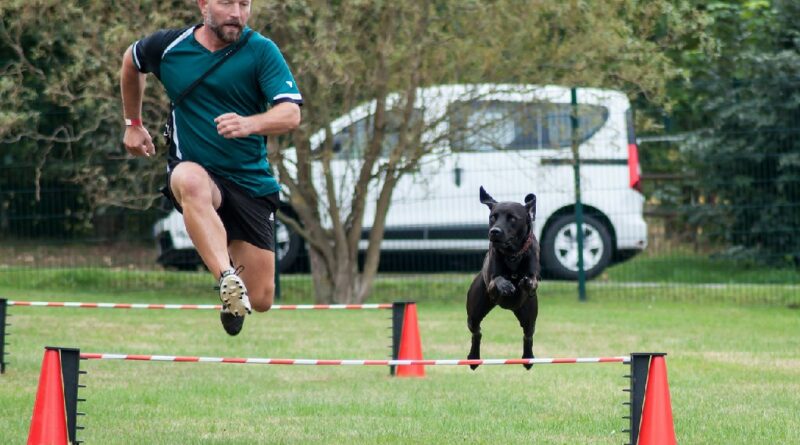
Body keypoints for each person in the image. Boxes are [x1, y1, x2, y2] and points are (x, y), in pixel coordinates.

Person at [119, 0, 302, 336]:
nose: (237, 13)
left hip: (250, 183)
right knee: (187, 178)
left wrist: (249, 124)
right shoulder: (169, 47)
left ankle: (237, 290)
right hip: (198, 173)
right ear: (203, 4)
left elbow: (291, 113)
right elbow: (132, 62)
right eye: (226, 3)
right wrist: (133, 122)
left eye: (244, 4)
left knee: (261, 298)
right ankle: (226, 279)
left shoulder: (261, 51)